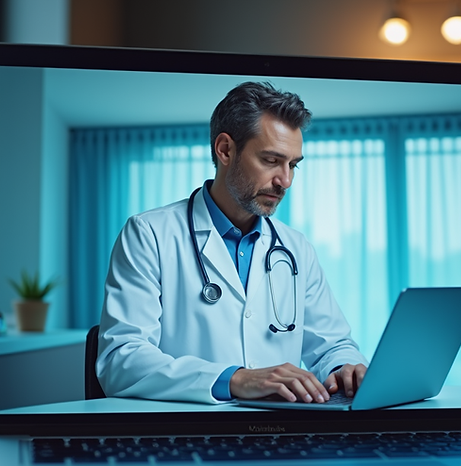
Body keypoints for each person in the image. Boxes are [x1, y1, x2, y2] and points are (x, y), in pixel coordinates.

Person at [96, 81, 367, 405]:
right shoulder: (149, 234)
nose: (286, 181)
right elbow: (120, 361)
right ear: (225, 150)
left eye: (293, 164)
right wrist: (235, 379)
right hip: (187, 433)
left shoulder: (296, 248)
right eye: (271, 160)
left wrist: (345, 368)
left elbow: (333, 345)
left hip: (283, 435)